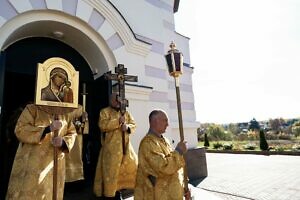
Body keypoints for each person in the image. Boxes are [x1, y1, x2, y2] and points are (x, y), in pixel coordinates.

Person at [5, 104, 77, 200]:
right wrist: (46, 129)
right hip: (32, 163)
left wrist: (63, 142)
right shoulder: (32, 109)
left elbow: (72, 133)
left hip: (53, 164)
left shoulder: (64, 113)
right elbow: (20, 129)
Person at [134, 109, 190, 200]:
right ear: (155, 121)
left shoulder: (165, 140)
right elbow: (163, 167)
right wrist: (179, 151)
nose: (167, 124)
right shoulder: (148, 143)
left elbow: (175, 168)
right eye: (165, 120)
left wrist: (184, 187)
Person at [93, 93, 138, 199]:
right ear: (111, 101)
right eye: (115, 100)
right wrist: (118, 122)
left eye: (119, 100)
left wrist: (127, 127)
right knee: (111, 175)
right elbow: (102, 125)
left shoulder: (125, 112)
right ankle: (110, 195)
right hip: (111, 150)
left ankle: (122, 192)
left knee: (128, 170)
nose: (118, 102)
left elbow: (134, 124)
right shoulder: (104, 112)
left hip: (126, 148)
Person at [65, 104, 89, 184]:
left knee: (76, 158)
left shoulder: (79, 108)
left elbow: (84, 128)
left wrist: (84, 120)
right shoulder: (60, 107)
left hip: (75, 139)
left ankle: (76, 182)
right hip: (62, 136)